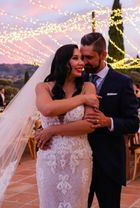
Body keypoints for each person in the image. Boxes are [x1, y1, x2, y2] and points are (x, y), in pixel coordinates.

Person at [34, 44, 100, 207]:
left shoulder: (88, 87)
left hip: (78, 159)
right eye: (75, 58)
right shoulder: (43, 87)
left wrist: (52, 130)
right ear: (63, 62)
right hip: (50, 159)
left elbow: (89, 125)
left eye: (82, 59)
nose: (81, 63)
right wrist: (82, 99)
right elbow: (48, 109)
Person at [80, 32, 139, 208]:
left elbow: (133, 123)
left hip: (109, 163)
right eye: (82, 57)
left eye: (89, 57)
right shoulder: (77, 80)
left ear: (103, 55)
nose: (84, 62)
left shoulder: (122, 82)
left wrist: (109, 122)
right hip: (80, 161)